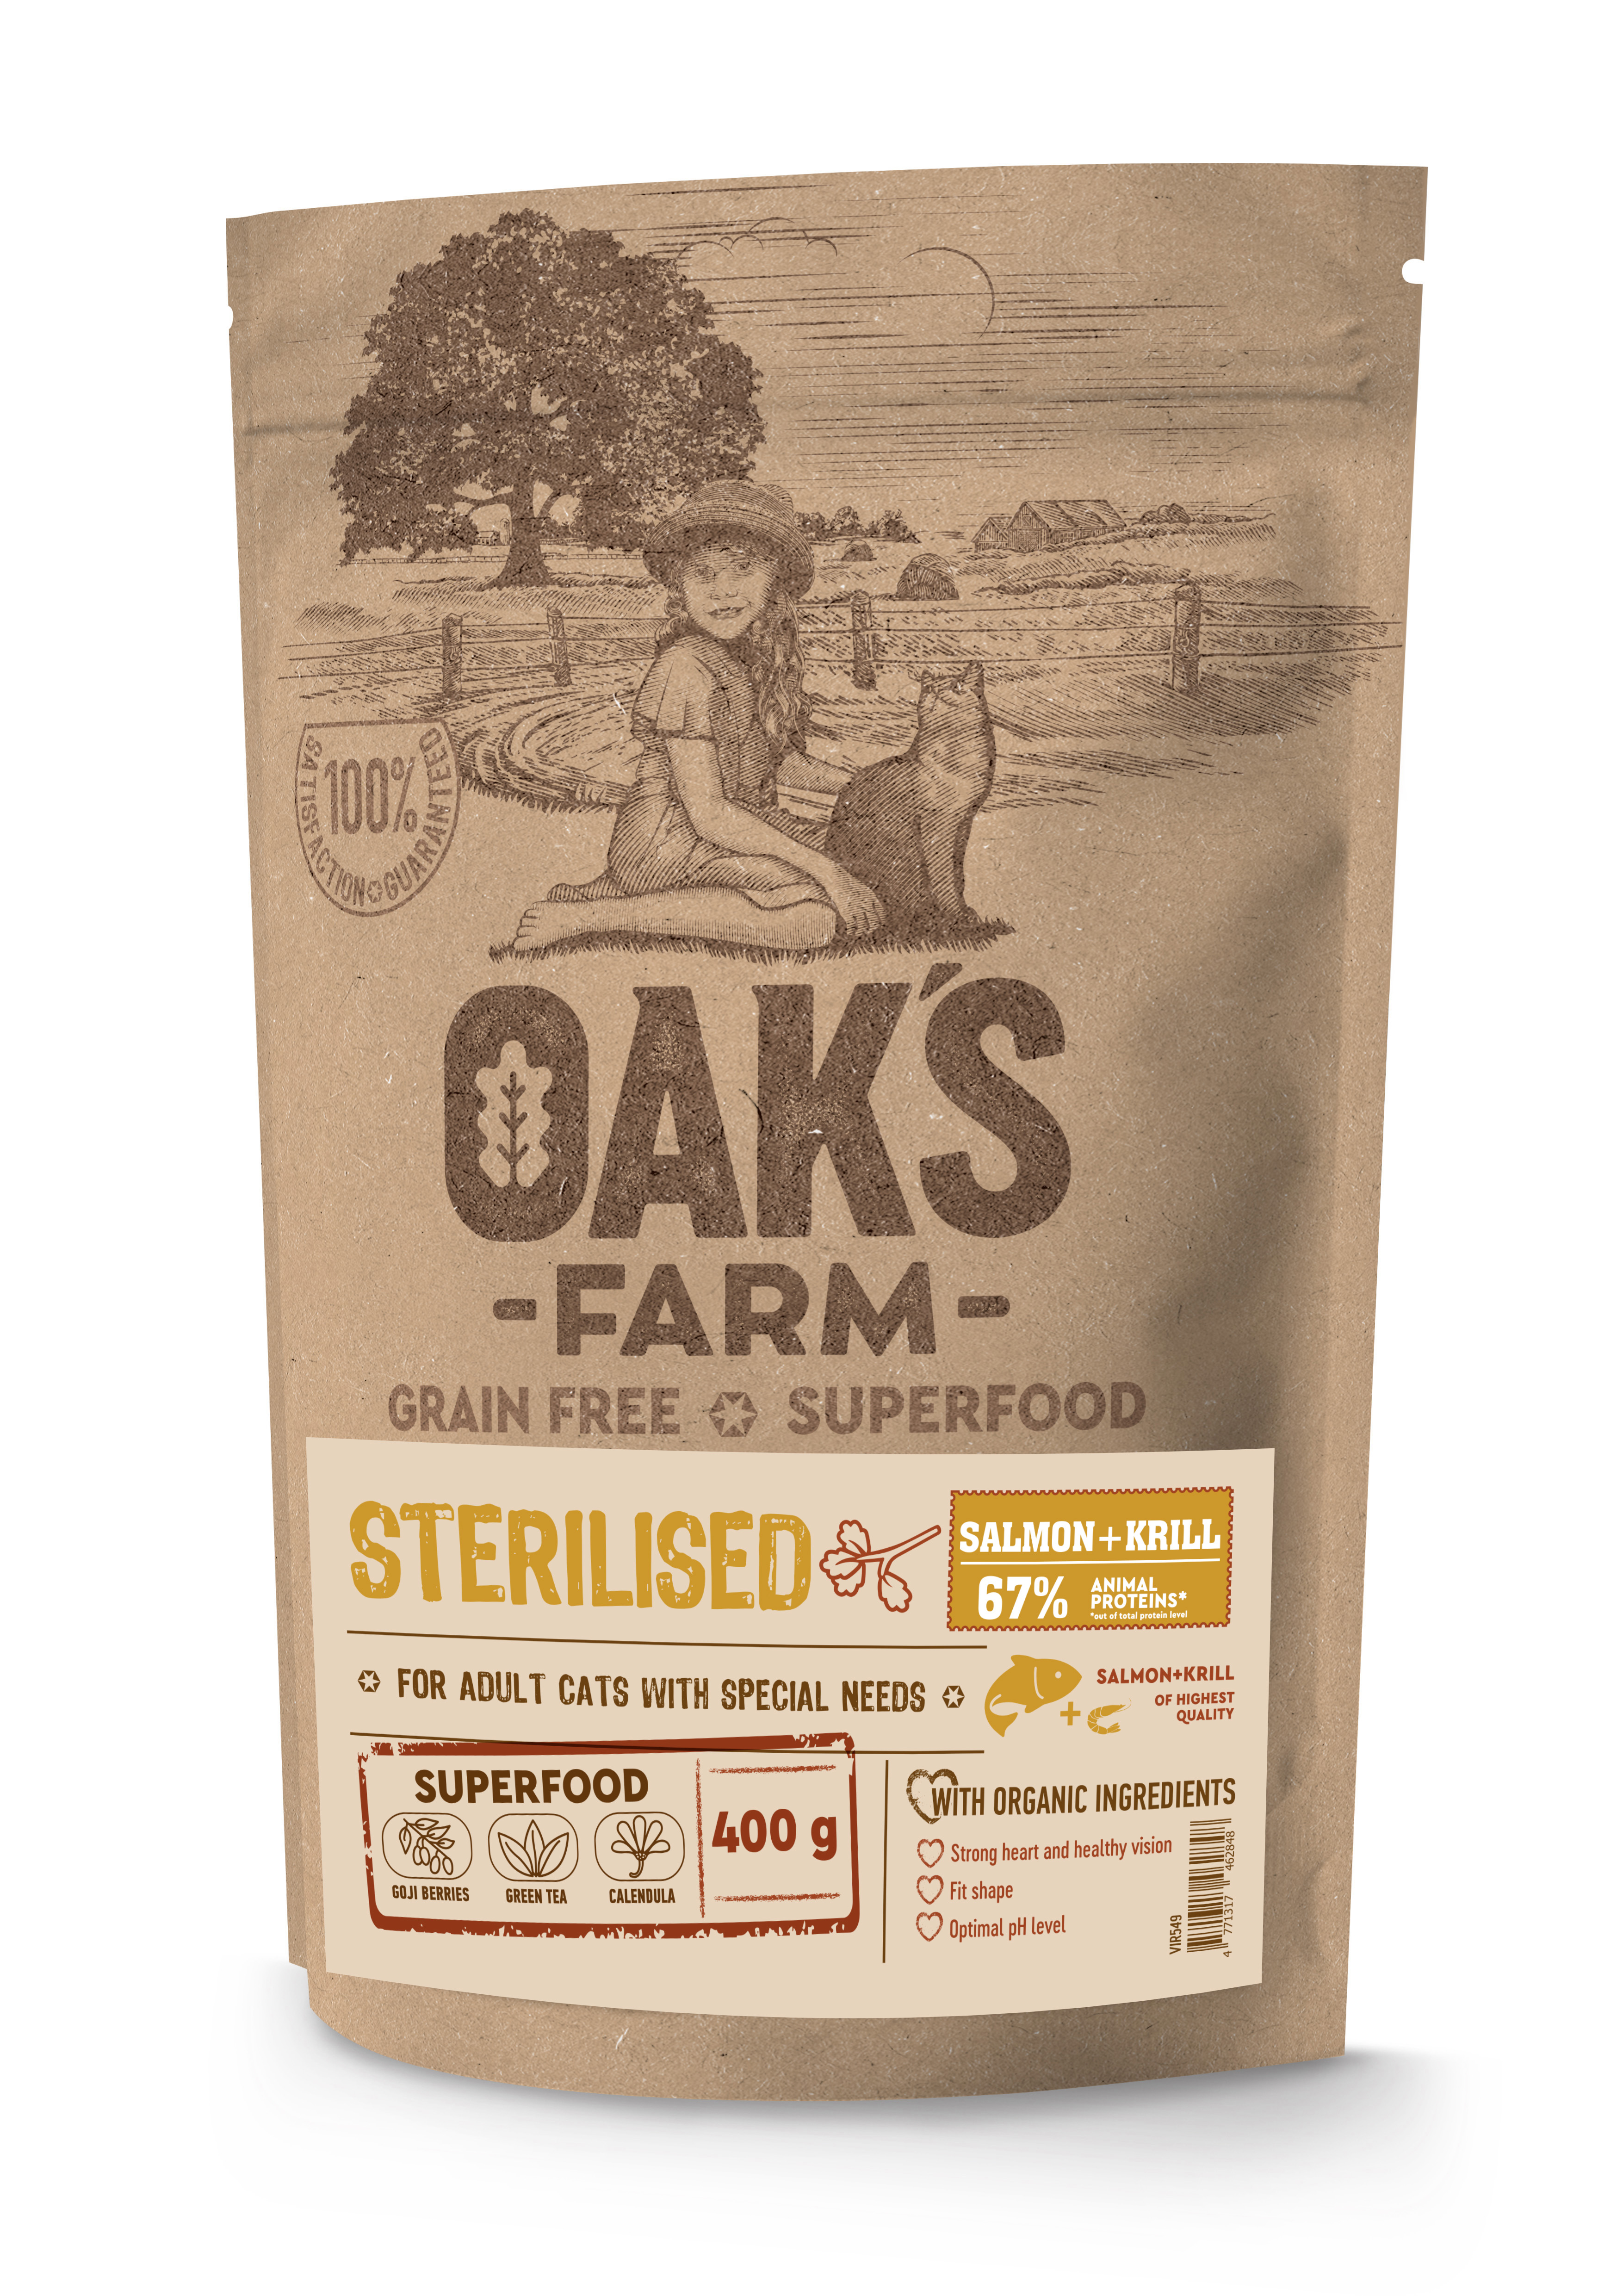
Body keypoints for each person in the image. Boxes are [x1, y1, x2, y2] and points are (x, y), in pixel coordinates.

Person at [512, 481, 883, 954]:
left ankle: (607, 894)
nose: (722, 592)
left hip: (742, 826)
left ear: (775, 582)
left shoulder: (755, 660)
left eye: (742, 570)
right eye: (703, 574)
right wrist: (826, 872)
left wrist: (870, 786)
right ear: (680, 587)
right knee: (812, 921)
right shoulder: (685, 667)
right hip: (669, 840)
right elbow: (708, 813)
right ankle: (593, 915)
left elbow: (780, 764)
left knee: (869, 865)